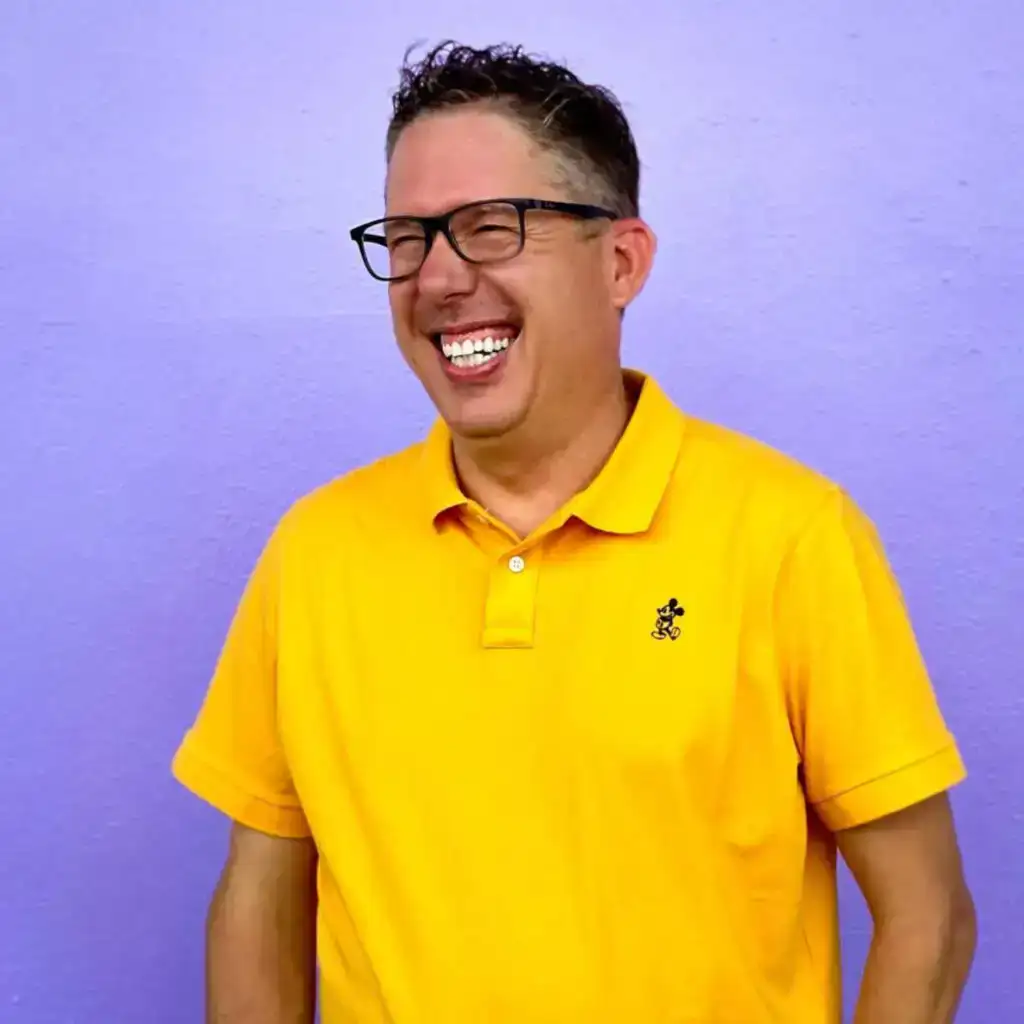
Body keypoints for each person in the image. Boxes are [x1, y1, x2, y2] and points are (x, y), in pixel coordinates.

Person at [172, 40, 977, 1024]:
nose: (438, 277)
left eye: (490, 227)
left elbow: (927, 912)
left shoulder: (790, 536)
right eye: (410, 235)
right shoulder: (316, 552)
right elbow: (260, 898)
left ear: (621, 261)